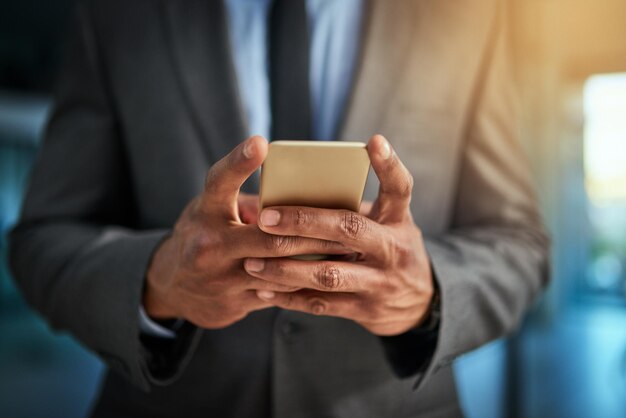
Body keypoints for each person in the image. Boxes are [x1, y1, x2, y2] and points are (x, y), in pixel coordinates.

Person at [9, 0, 550, 417]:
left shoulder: (466, 15)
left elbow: (519, 243)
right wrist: (159, 282)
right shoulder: (119, 14)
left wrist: (429, 292)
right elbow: (43, 237)